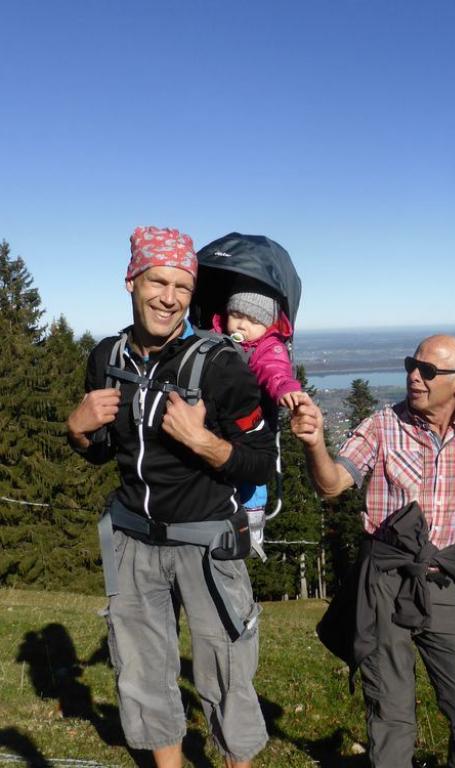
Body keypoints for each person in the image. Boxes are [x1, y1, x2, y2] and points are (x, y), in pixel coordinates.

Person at [290, 333, 455, 768]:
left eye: (428, 370)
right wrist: (315, 444)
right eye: (411, 365)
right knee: (391, 715)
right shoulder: (381, 425)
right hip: (384, 583)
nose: (414, 376)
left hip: (443, 580)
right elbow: (332, 484)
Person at [66, 226, 276, 768]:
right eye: (158, 282)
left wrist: (204, 443)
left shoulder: (221, 365)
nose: (169, 297)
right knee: (142, 673)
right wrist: (79, 431)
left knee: (227, 673)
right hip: (132, 541)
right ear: (131, 281)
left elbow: (261, 460)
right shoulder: (107, 357)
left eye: (182, 287)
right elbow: (105, 451)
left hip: (207, 545)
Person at [210, 287, 302, 553]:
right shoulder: (214, 340)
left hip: (252, 424)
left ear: (268, 325)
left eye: (253, 320)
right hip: (218, 423)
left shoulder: (267, 348)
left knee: (252, 473)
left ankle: (252, 522)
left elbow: (274, 371)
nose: (242, 325)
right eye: (237, 315)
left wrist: (284, 388)